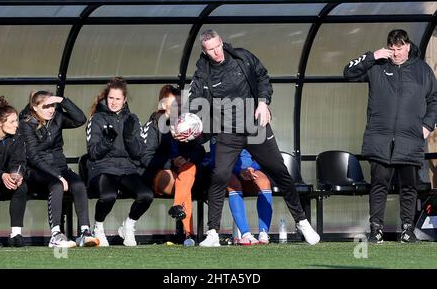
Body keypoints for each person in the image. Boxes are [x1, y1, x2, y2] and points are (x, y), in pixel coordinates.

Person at [185, 29, 320, 247]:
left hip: (256, 127)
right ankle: (212, 233)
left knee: (280, 171)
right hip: (227, 132)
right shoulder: (202, 73)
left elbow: (262, 77)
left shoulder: (242, 57)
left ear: (222, 42)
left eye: (218, 46)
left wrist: (263, 102)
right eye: (210, 49)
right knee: (219, 176)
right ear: (204, 51)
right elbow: (194, 101)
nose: (216, 52)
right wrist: (190, 122)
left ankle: (302, 222)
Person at [343, 29, 437, 243]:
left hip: (410, 139)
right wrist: (372, 56)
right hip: (379, 139)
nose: (396, 54)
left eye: (400, 49)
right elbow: (348, 72)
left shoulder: (422, 70)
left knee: (409, 187)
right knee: (378, 185)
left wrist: (426, 126)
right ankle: (376, 229)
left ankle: (407, 229)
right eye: (392, 49)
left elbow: (434, 100)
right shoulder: (377, 66)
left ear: (408, 46)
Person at [20, 90, 98, 248]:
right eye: (46, 106)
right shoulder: (26, 124)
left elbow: (80, 119)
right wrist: (58, 176)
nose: (51, 109)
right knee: (57, 185)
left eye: (52, 105)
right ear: (34, 108)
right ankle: (56, 235)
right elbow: (33, 157)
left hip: (60, 167)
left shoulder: (57, 117)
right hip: (37, 170)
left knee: (79, 185)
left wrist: (63, 100)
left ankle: (85, 232)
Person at [86, 77, 153, 247]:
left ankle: (128, 225)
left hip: (127, 169)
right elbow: (93, 153)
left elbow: (139, 152)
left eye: (117, 99)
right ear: (105, 98)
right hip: (103, 167)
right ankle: (98, 227)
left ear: (124, 100)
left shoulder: (132, 119)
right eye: (111, 98)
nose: (114, 102)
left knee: (146, 195)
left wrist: (130, 137)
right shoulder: (96, 119)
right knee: (108, 196)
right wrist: (106, 141)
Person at [140, 85, 205, 246]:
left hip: (181, 174)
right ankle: (189, 234)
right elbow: (146, 157)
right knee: (183, 185)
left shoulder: (185, 123)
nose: (177, 106)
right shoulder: (154, 124)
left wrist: (186, 157)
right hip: (158, 172)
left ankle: (178, 211)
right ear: (163, 103)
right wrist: (171, 161)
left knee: (190, 171)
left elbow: (200, 151)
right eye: (173, 102)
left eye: (180, 102)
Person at [208, 142, 272, 245]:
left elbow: (263, 154)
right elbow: (217, 159)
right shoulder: (220, 130)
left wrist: (253, 168)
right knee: (233, 183)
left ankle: (263, 233)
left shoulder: (252, 130)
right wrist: (239, 171)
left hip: (250, 170)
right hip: (228, 170)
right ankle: (245, 234)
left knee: (264, 182)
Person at [0, 97, 27, 248]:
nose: (17, 125)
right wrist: (0, 175)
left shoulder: (17, 136)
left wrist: (16, 174)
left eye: (16, 120)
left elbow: (19, 161)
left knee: (21, 187)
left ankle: (16, 234)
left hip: (4, 177)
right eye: (12, 122)